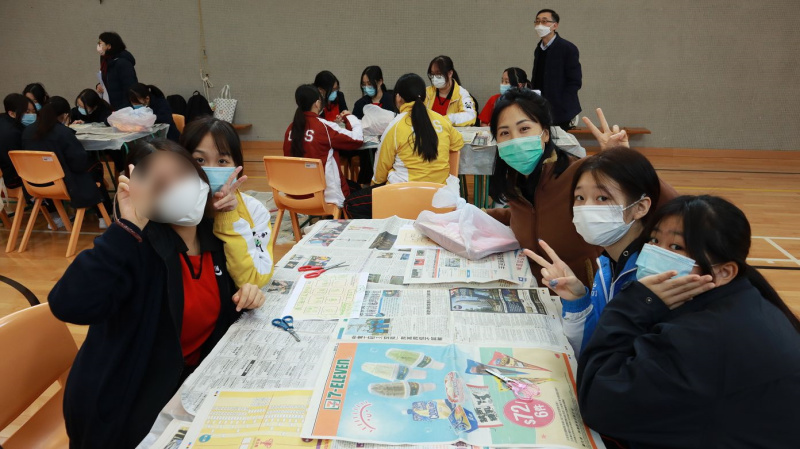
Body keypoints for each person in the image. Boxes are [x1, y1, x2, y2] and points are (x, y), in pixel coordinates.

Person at [48, 139, 266, 448]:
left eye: (183, 173)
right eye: (160, 184)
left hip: (189, 386)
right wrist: (126, 226)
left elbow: (214, 309)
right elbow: (69, 304)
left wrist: (246, 297)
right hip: (125, 408)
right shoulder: (135, 247)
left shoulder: (212, 238)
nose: (177, 187)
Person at [577, 195, 800, 448]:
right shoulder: (738, 301)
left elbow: (599, 403)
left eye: (676, 247)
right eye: (654, 240)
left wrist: (634, 303)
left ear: (724, 272)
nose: (656, 253)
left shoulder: (707, 336)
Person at [525, 147, 677, 354]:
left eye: (602, 198)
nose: (586, 208)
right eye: (580, 197)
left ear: (640, 207)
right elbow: (592, 345)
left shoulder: (652, 274)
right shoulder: (607, 264)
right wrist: (577, 300)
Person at [485, 88, 630, 286]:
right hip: (533, 288)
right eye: (504, 133)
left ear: (545, 134)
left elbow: (648, 204)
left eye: (524, 129)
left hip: (581, 292)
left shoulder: (580, 174)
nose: (516, 140)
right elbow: (528, 216)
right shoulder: (515, 180)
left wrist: (625, 164)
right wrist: (476, 214)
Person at [344, 73, 464, 219]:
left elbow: (381, 170)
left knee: (350, 204)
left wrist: (375, 186)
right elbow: (458, 143)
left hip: (405, 195)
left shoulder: (395, 126)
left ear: (398, 98)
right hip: (439, 196)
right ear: (425, 97)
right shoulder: (442, 121)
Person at [181, 116, 275, 288]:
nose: (211, 169)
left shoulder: (254, 211)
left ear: (237, 166)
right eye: (199, 160)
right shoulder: (173, 210)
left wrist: (229, 217)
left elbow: (255, 279)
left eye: (222, 161)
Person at [21, 96, 112, 227]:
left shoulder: (27, 131)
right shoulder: (63, 132)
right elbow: (79, 162)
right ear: (64, 115)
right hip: (64, 183)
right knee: (95, 167)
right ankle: (104, 217)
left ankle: (55, 217)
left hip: (35, 183)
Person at [283, 84, 363, 205]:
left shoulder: (290, 128)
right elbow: (357, 139)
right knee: (356, 188)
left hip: (294, 195)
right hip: (323, 197)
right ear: (317, 103)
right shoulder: (323, 127)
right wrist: (349, 117)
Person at [531, 9, 582, 129]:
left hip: (561, 110)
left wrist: (563, 102)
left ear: (555, 25)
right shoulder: (539, 49)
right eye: (537, 21)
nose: (539, 25)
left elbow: (574, 80)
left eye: (544, 21)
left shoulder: (567, 48)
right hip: (541, 107)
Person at [424, 55, 477, 127]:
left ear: (450, 73)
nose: (435, 78)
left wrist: (446, 119)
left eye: (439, 74)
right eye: (432, 74)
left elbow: (470, 116)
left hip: (451, 132)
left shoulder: (462, 94)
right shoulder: (426, 92)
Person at [0, 94, 36, 190]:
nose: (32, 115)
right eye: (27, 112)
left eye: (34, 112)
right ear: (12, 113)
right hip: (13, 178)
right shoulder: (14, 132)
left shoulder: (3, 121)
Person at [98, 31, 138, 110]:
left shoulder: (123, 62)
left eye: (100, 43)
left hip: (122, 107)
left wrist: (123, 108)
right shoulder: (105, 60)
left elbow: (130, 87)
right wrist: (99, 85)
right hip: (110, 104)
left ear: (109, 46)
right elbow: (109, 78)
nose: (98, 46)